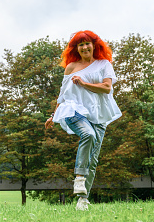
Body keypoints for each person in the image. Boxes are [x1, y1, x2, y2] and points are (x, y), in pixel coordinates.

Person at [45, 30, 122, 211]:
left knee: (93, 160)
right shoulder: (71, 68)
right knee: (87, 134)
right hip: (74, 110)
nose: (84, 47)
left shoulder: (104, 64)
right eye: (80, 44)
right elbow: (63, 95)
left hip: (98, 115)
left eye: (87, 43)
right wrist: (53, 115)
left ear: (94, 45)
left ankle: (82, 200)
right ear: (76, 49)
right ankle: (79, 178)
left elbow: (106, 87)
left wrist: (84, 84)